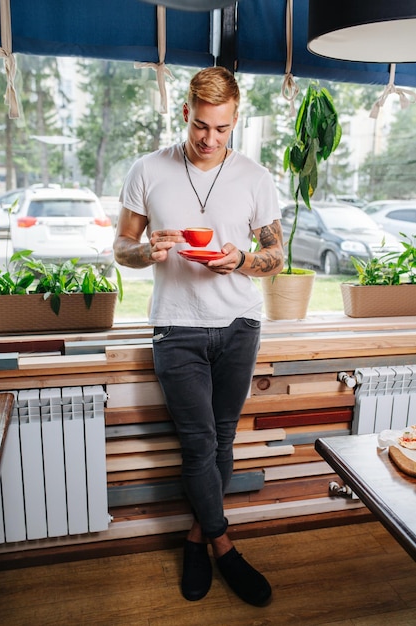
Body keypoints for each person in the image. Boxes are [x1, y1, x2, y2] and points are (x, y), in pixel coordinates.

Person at [114, 66, 284, 606]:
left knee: (224, 437)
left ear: (235, 122)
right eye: (201, 127)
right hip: (176, 325)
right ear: (185, 113)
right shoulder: (147, 169)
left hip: (239, 324)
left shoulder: (255, 178)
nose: (210, 139)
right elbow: (121, 245)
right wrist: (145, 253)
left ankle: (195, 539)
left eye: (223, 129)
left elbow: (277, 257)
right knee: (199, 443)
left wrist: (242, 259)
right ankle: (225, 547)